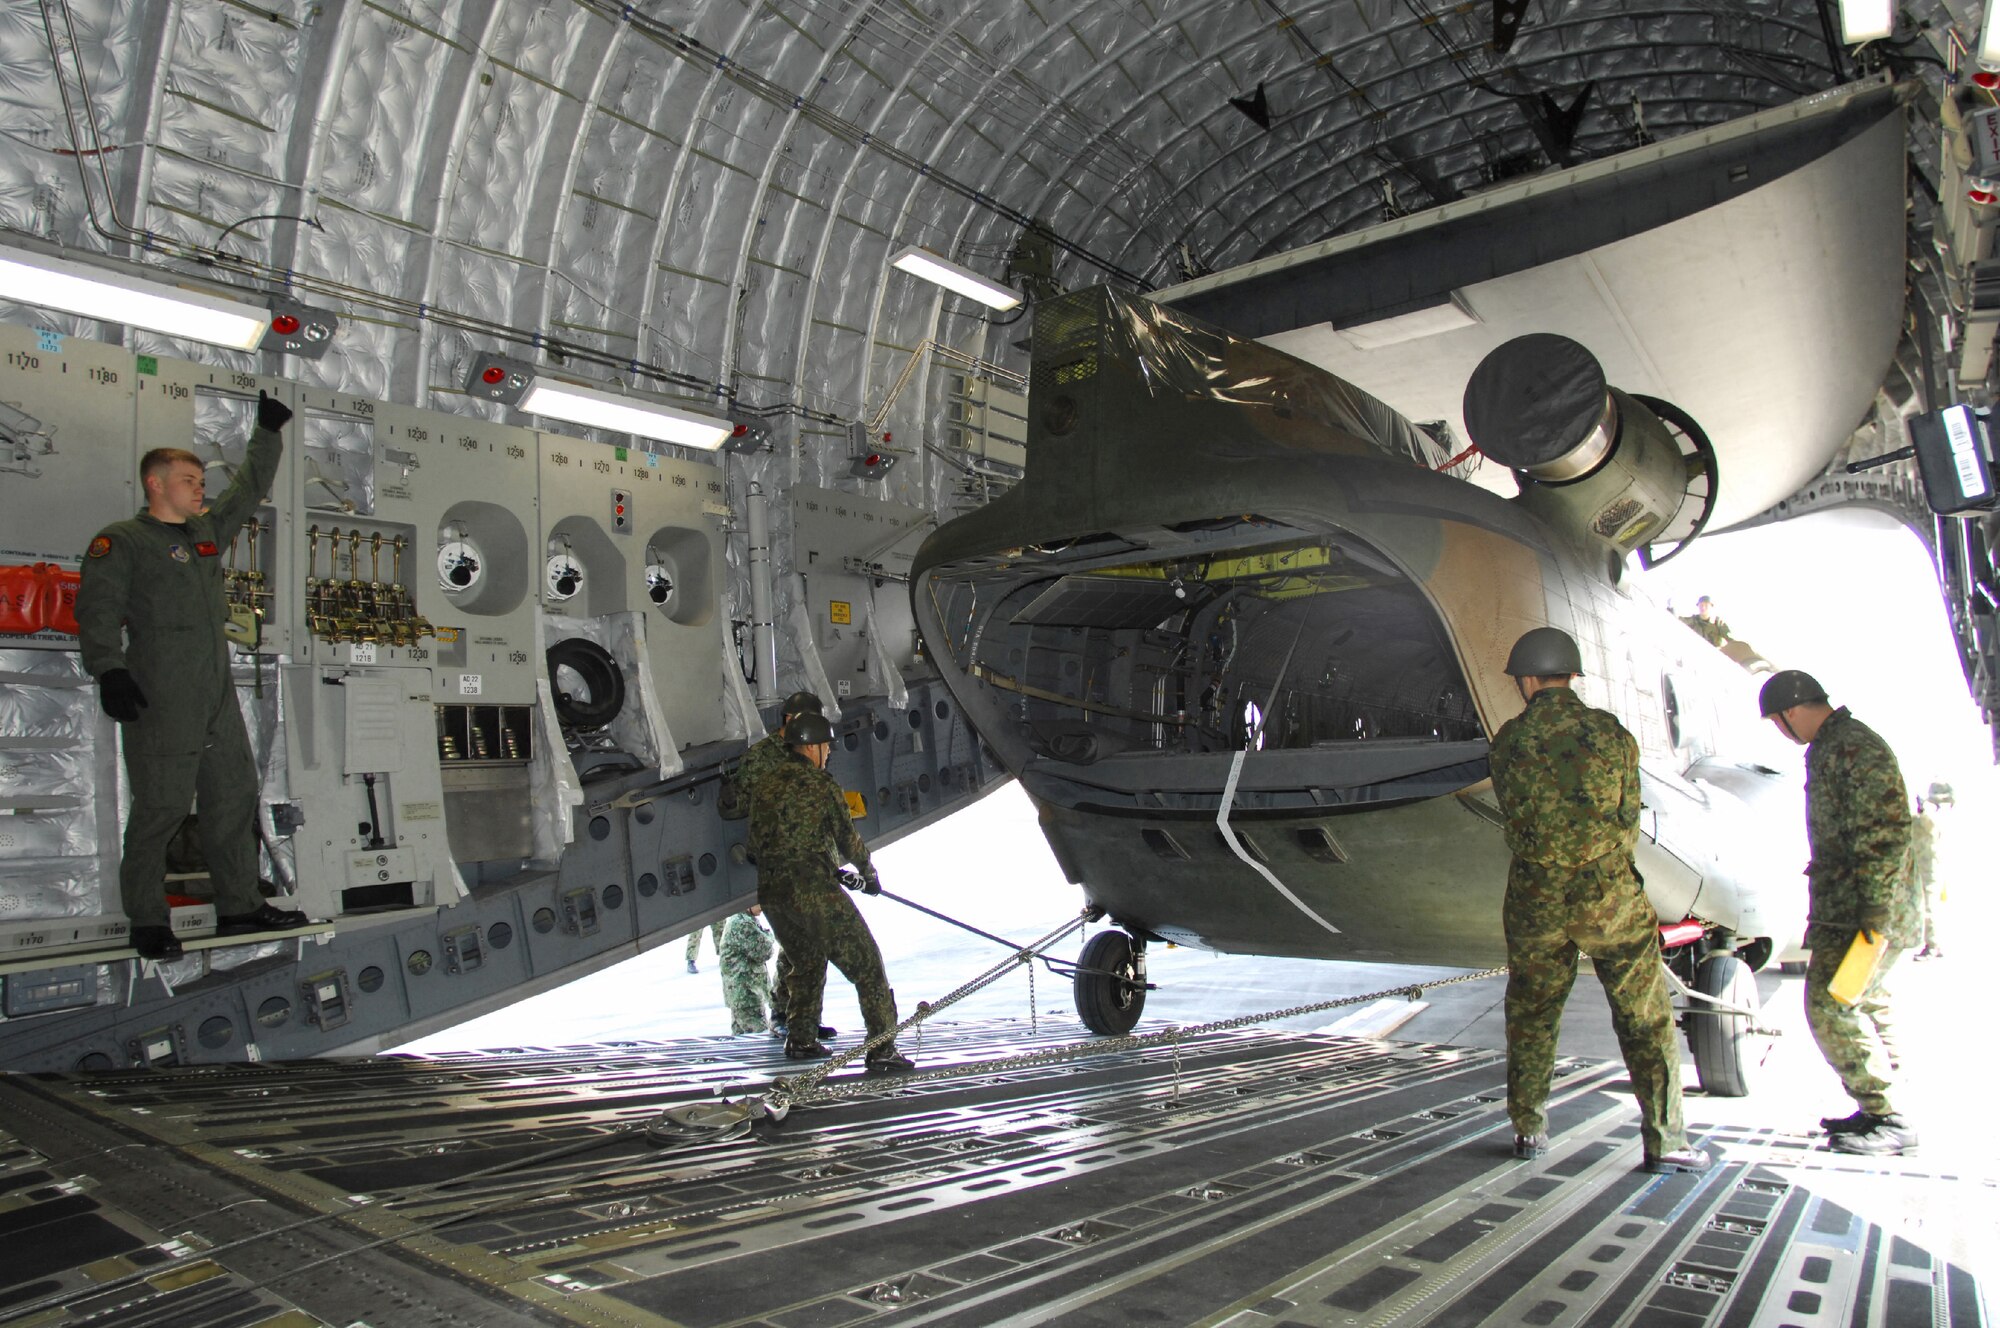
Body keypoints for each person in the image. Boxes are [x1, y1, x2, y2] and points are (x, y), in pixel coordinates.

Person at [75, 392, 311, 962]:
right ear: (156, 484)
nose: (198, 486)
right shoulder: (123, 541)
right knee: (162, 809)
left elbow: (247, 491)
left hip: (214, 691)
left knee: (233, 798)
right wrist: (109, 669)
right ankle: (148, 921)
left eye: (198, 479)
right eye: (186, 478)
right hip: (163, 691)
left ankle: (239, 906)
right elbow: (97, 609)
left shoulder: (204, 534)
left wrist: (268, 432)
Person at [1488, 627, 1707, 1174]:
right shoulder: (1611, 735)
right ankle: (1666, 1139)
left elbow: (1514, 820)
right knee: (1644, 1017)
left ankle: (1529, 1128)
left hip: (1537, 899)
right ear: (1570, 674)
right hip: (1608, 896)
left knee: (1533, 1013)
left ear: (1528, 679)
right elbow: (1629, 820)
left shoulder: (1510, 740)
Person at [1759, 669, 1918, 1156]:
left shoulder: (1852, 747)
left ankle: (1889, 1115)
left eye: (1776, 723)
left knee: (1830, 1006)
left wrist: (1873, 919)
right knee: (1867, 1005)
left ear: (1789, 713)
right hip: (1853, 911)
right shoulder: (1834, 746)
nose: (1781, 734)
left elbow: (1882, 837)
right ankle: (1882, 1111)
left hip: (1865, 915)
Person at [747, 712, 913, 1071]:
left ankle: (802, 1039)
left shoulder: (766, 786)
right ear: (811, 746)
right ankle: (882, 1048)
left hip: (773, 893)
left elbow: (757, 844)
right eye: (826, 746)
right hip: (812, 891)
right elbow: (849, 840)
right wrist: (869, 876)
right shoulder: (822, 785)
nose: (829, 752)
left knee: (806, 962)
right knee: (867, 965)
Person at [731, 689, 831, 1039]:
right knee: (802, 945)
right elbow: (741, 808)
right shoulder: (760, 759)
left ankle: (805, 1017)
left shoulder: (808, 750)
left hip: (808, 864)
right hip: (778, 866)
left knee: (811, 943)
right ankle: (786, 1015)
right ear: (789, 721)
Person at [719, 906, 776, 1034]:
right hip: (747, 994)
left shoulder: (743, 919)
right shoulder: (743, 923)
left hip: (741, 994)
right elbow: (764, 951)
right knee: (758, 1038)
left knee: (739, 1040)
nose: (763, 907)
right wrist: (769, 935)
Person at [1913, 781, 1952, 960]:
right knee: (1927, 905)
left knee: (1929, 906)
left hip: (1930, 868)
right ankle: (1935, 944)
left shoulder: (1937, 816)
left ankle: (1933, 945)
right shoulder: (1929, 815)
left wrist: (1922, 811)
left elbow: (1931, 826)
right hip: (1921, 866)